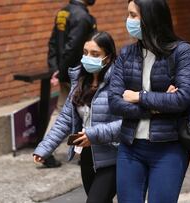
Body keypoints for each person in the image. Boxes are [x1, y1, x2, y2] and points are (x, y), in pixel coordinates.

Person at [108, 0, 190, 202]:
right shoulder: (126, 54)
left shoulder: (181, 52)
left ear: (150, 18)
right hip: (130, 147)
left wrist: (138, 96)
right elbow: (114, 102)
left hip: (169, 147)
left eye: (133, 15)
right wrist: (156, 107)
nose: (128, 21)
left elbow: (182, 99)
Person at [34, 32, 121, 203]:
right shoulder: (80, 81)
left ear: (108, 57)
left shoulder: (119, 82)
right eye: (85, 52)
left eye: (95, 54)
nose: (88, 57)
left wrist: (94, 135)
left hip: (114, 156)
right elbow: (65, 119)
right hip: (87, 154)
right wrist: (45, 148)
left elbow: (126, 122)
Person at [44, 0, 97, 168]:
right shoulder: (82, 16)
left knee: (61, 110)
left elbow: (53, 42)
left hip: (66, 70)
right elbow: (73, 47)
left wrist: (56, 69)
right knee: (86, 110)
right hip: (78, 73)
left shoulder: (63, 12)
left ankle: (47, 150)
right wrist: (62, 70)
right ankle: (84, 152)